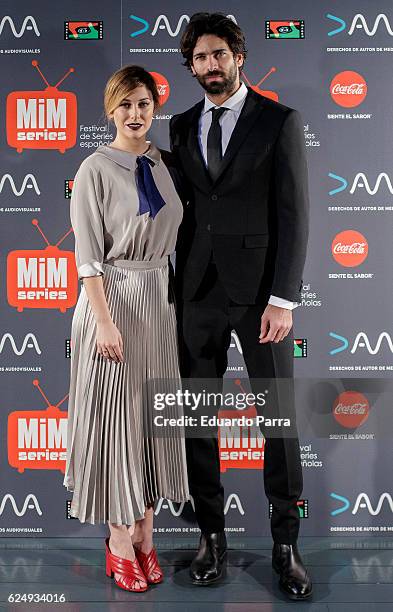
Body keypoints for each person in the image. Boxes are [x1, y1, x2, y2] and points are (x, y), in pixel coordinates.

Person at [169, 13, 312, 600]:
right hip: (195, 293)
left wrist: (283, 298)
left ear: (238, 56)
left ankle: (286, 544)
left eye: (217, 55)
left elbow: (296, 215)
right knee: (197, 421)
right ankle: (211, 536)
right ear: (192, 66)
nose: (209, 66)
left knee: (277, 422)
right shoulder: (178, 127)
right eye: (199, 59)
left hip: (260, 299)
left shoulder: (278, 121)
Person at [63, 65, 189, 593]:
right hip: (111, 305)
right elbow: (88, 260)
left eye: (143, 104)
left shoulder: (165, 163)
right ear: (110, 110)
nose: (135, 115)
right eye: (125, 105)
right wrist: (106, 324)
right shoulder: (93, 169)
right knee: (116, 427)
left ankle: (145, 536)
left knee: (151, 425)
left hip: (158, 305)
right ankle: (118, 544)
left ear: (154, 107)